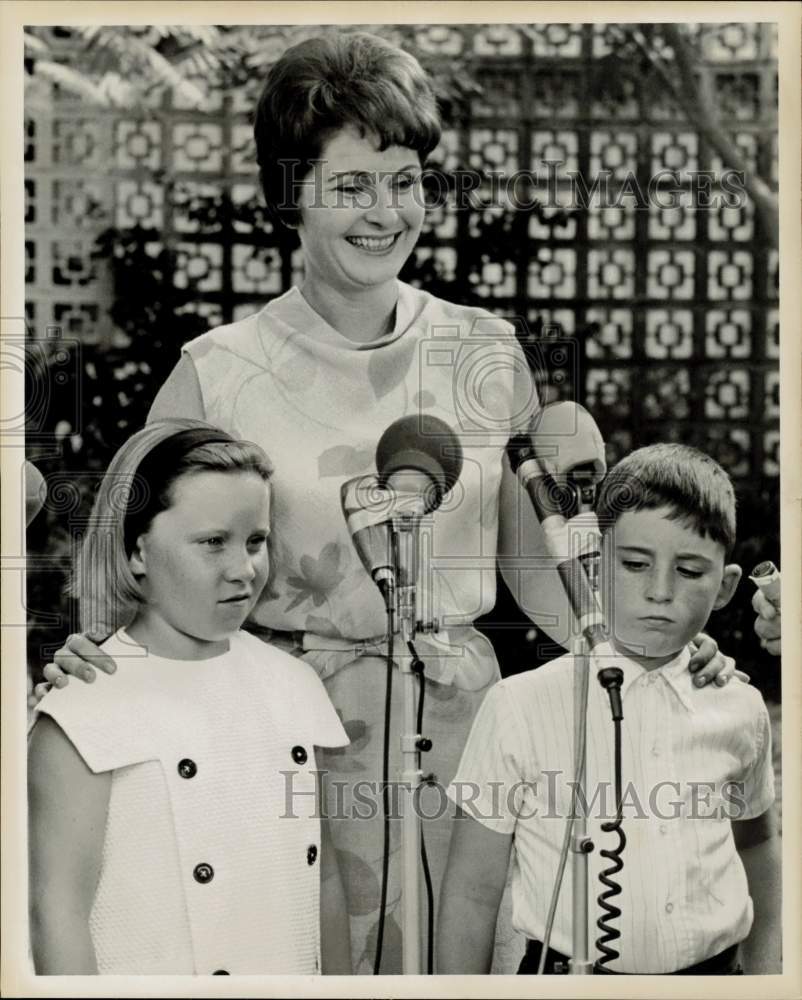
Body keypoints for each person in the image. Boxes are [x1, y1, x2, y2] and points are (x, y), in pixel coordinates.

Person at [33, 32, 736, 973]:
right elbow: (144, 557)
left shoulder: (484, 350)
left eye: (405, 181)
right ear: (294, 193)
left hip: (471, 741)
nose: (387, 211)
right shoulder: (216, 373)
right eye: (354, 185)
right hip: (280, 738)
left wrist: (670, 651)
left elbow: (551, 582)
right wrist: (95, 653)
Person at [437, 444, 780, 975]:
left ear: (726, 587)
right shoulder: (519, 706)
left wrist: (765, 977)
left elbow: (757, 847)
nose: (659, 592)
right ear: (593, 563)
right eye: (635, 564)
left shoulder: (739, 705)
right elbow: (472, 893)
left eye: (690, 571)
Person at [28, 420, 351, 974]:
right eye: (212, 543)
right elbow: (55, 915)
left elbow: (319, 884)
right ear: (136, 552)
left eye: (256, 541)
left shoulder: (295, 684)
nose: (244, 569)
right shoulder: (83, 704)